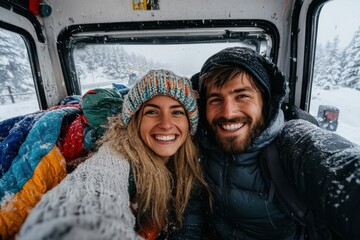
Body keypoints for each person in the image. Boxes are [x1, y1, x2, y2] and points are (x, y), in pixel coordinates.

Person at [173, 47, 360, 240]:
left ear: (266, 101)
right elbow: (191, 220)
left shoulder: (293, 142)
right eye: (216, 99)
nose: (228, 113)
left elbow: (343, 167)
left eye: (242, 96)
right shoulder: (199, 148)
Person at [18, 69, 208, 240]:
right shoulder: (118, 152)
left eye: (176, 112)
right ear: (135, 121)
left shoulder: (190, 161)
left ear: (189, 122)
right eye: (152, 112)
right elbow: (96, 186)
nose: (166, 124)